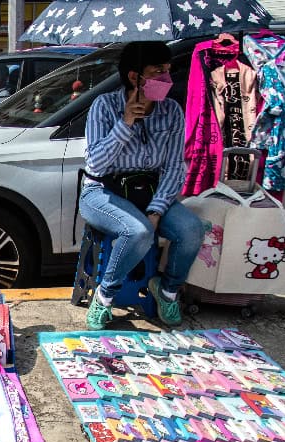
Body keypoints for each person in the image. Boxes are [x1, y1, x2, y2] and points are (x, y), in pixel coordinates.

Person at [79, 41, 203, 330]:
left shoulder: (171, 111)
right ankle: (105, 296)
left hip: (150, 191)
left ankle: (168, 290)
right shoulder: (104, 106)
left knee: (192, 229)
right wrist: (125, 124)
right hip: (102, 192)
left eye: (168, 71)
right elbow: (95, 164)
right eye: (158, 71)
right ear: (135, 77)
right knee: (138, 231)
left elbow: (174, 167)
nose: (166, 78)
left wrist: (158, 209)